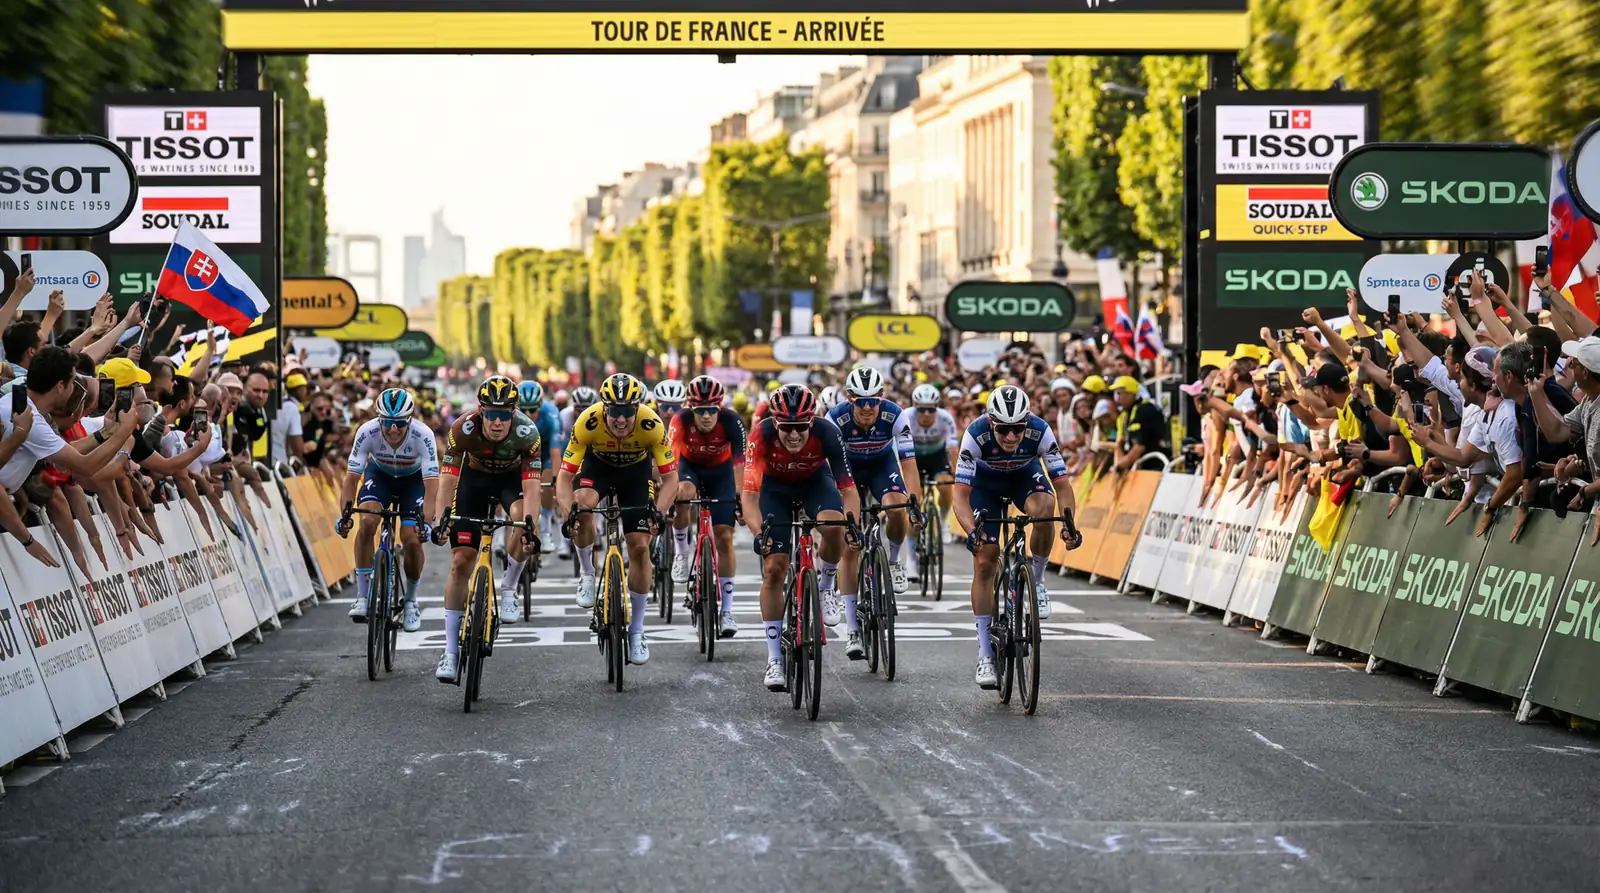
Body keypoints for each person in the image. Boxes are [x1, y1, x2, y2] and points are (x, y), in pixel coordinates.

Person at [952, 385, 1080, 690]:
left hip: (1024, 476)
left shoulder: (1041, 431)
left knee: (1045, 509)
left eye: (1018, 429)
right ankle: (985, 654)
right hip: (985, 485)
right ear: (991, 422)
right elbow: (960, 496)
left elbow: (1062, 486)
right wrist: (972, 532)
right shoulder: (975, 435)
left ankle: (1037, 581)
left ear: (1027, 422)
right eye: (1003, 430)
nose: (1011, 437)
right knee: (985, 559)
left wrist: (1069, 524)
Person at [556, 373, 678, 667]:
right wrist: (568, 510)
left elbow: (671, 479)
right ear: (604, 408)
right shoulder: (587, 421)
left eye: (627, 412)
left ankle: (637, 631)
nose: (621, 419)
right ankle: (587, 573)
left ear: (637, 408)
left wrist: (659, 512)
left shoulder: (652, 424)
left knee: (639, 547)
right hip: (597, 469)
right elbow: (564, 477)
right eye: (614, 411)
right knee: (582, 505)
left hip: (635, 475)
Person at [740, 385, 857, 691]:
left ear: (811, 421)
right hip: (774, 490)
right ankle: (774, 658)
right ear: (775, 422)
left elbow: (848, 489)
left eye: (801, 427)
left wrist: (852, 524)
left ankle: (826, 586)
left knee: (835, 526)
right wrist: (758, 533)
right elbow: (749, 496)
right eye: (786, 428)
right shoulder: (760, 435)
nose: (793, 435)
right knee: (774, 569)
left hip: (815, 483)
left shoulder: (828, 433)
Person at [431, 376, 542, 683]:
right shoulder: (462, 429)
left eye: (503, 415)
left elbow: (532, 491)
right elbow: (447, 480)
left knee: (521, 519)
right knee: (460, 562)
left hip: (510, 481)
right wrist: (442, 519)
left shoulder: (527, 433)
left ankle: (509, 587)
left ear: (514, 412)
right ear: (480, 411)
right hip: (474, 481)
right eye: (491, 414)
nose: (496, 422)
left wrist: (530, 528)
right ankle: (450, 653)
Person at [827, 366, 920, 660]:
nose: (867, 408)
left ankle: (893, 560)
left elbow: (908, 464)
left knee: (897, 508)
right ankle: (853, 629)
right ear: (850, 399)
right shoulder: (835, 419)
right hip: (848, 471)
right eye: (861, 401)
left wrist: (914, 502)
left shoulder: (895, 415)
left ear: (881, 398)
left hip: (882, 466)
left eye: (873, 401)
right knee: (851, 543)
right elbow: (828, 471)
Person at [335, 388, 440, 635]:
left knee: (411, 539)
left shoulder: (423, 435)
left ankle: (410, 601)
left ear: (410, 420)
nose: (393, 429)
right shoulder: (367, 431)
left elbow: (432, 485)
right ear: (379, 418)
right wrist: (345, 516)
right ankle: (362, 596)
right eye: (388, 422)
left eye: (400, 423)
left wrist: (426, 523)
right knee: (367, 522)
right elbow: (351, 479)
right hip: (380, 476)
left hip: (413, 482)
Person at [668, 375, 746, 636]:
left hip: (721, 473)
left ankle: (727, 612)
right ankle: (682, 552)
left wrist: (739, 497)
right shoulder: (680, 420)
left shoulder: (732, 421)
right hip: (689, 469)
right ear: (691, 408)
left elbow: (741, 464)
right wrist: (668, 495)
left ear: (719, 407)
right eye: (700, 410)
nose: (706, 416)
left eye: (712, 410)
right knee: (683, 494)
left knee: (724, 538)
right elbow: (669, 461)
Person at [907, 382, 959, 566]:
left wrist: (954, 472)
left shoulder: (945, 418)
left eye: (931, 409)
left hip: (936, 458)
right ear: (914, 406)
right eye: (922, 409)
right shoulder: (905, 417)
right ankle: (911, 560)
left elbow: (952, 448)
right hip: (913, 458)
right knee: (914, 504)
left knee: (946, 486)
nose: (927, 414)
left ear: (937, 407)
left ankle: (943, 522)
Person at [517, 379, 562, 554]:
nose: (528, 414)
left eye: (533, 409)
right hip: (521, 455)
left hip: (544, 455)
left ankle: (546, 530)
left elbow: (555, 450)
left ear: (541, 405)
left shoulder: (551, 414)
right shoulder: (512, 416)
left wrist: (557, 480)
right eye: (523, 410)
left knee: (548, 482)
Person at [1110, 375, 1170, 472]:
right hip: (1137, 467)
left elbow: (1139, 447)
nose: (1116, 398)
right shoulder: (1124, 415)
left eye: (1119, 393)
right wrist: (1119, 464)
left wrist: (1119, 467)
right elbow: (1119, 444)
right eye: (1115, 393)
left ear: (1131, 393)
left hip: (1153, 467)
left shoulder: (1143, 410)